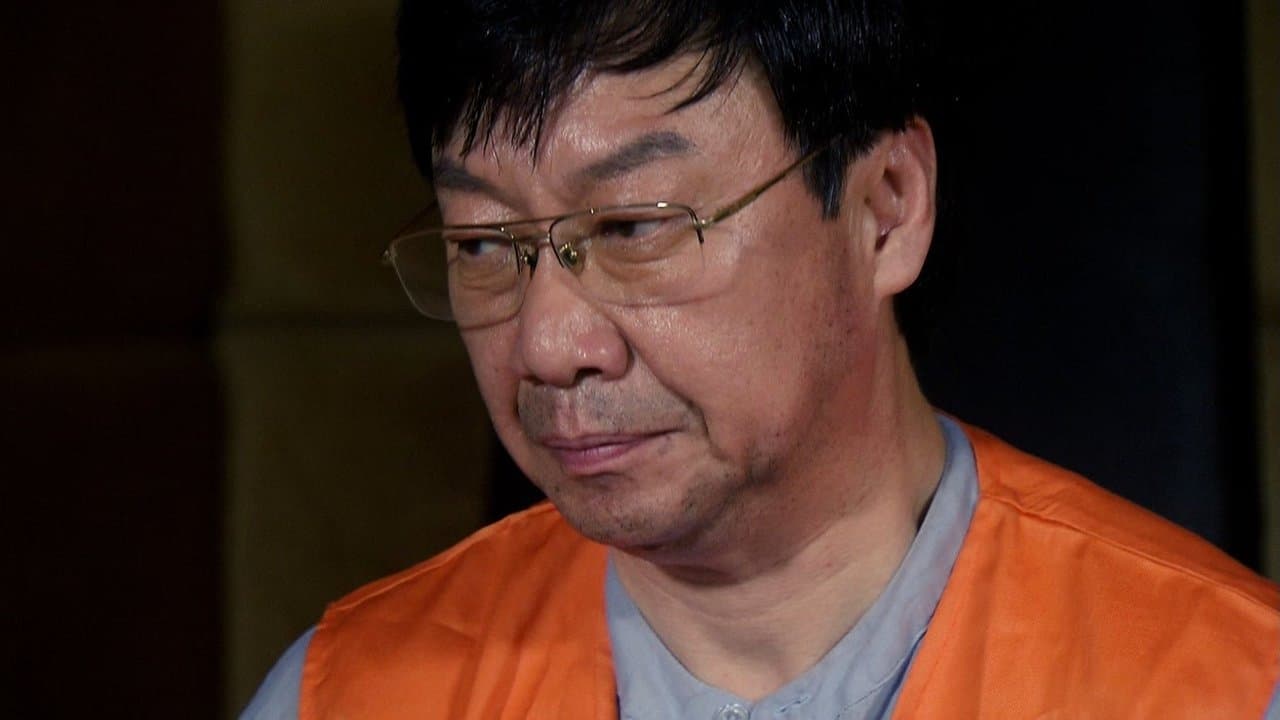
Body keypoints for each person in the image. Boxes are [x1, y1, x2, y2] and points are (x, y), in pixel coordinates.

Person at [243, 0, 1280, 717]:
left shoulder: (1221, 685)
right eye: (481, 245)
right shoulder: (350, 694)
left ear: (884, 210)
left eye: (635, 227)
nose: (549, 346)